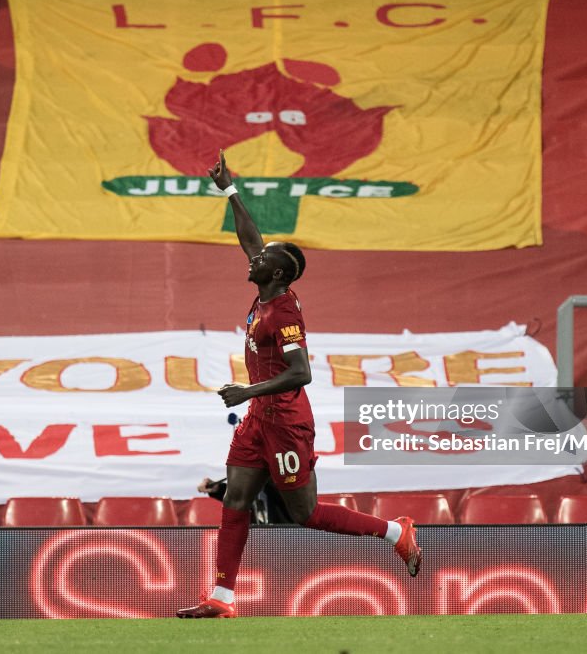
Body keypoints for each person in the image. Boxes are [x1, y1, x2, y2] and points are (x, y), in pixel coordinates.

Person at [176, 152, 421, 619]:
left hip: (286, 421)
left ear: (280, 273)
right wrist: (229, 190)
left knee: (304, 514)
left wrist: (247, 391)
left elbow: (301, 372)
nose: (254, 256)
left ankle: (395, 531)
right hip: (258, 421)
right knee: (236, 497)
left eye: (264, 258)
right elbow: (250, 238)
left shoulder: (284, 313)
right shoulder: (265, 286)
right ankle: (222, 598)